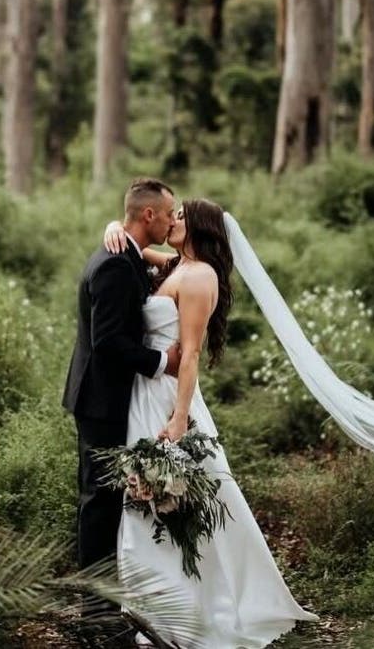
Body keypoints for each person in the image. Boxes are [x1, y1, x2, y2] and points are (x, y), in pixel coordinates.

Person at [103, 198, 317, 649]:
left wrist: (180, 417)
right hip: (143, 394)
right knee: (146, 497)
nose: (172, 220)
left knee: (179, 499)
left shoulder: (201, 275)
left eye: (181, 216)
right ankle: (153, 609)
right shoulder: (177, 265)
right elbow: (134, 247)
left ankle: (194, 609)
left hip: (168, 399)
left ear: (200, 226)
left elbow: (192, 353)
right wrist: (112, 226)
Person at [62, 178, 182, 577]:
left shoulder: (127, 253)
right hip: (101, 399)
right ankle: (95, 604)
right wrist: (163, 362)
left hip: (111, 397)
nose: (171, 222)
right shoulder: (115, 263)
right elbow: (108, 341)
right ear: (149, 214)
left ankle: (109, 592)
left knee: (110, 495)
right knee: (99, 498)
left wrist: (115, 225)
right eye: (168, 214)